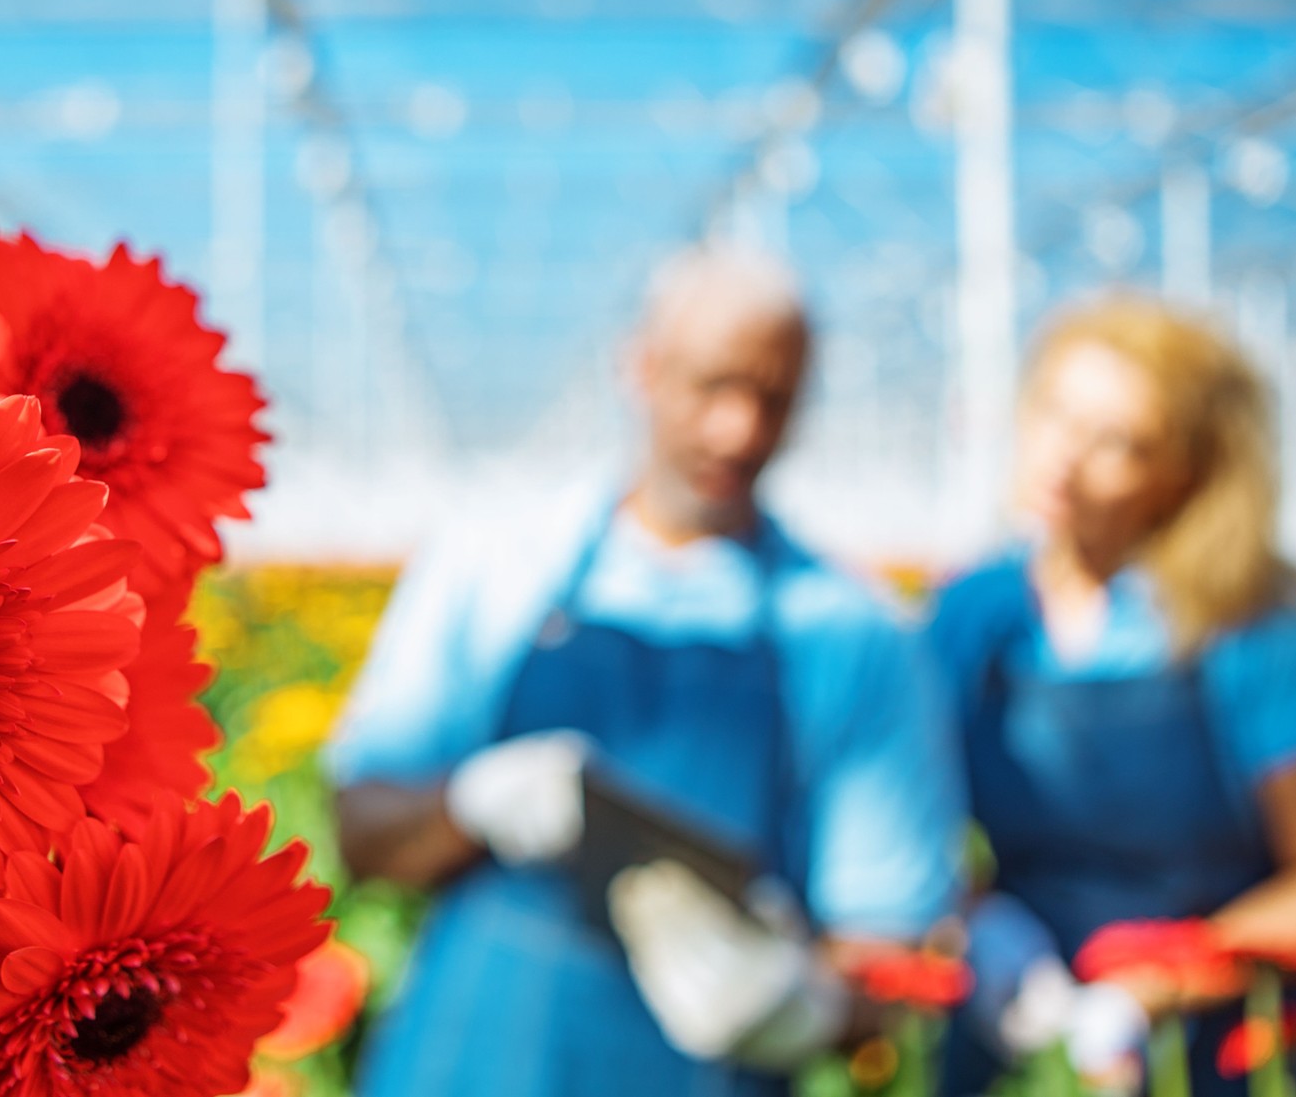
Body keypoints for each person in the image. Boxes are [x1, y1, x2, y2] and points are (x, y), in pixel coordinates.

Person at [324, 244, 966, 1097]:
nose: (738, 430)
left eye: (772, 398)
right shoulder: (498, 562)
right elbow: (362, 830)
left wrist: (807, 1005)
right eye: (713, 385)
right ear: (642, 367)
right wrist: (474, 803)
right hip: (473, 1059)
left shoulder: (851, 629)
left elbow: (890, 946)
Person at [931, 295, 1296, 1094]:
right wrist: (978, 924)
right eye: (1054, 414)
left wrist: (1166, 981)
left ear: (1189, 474)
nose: (1063, 457)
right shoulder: (976, 614)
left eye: (1118, 444)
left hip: (1223, 1037)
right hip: (1027, 1011)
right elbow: (914, 811)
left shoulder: (1261, 628)